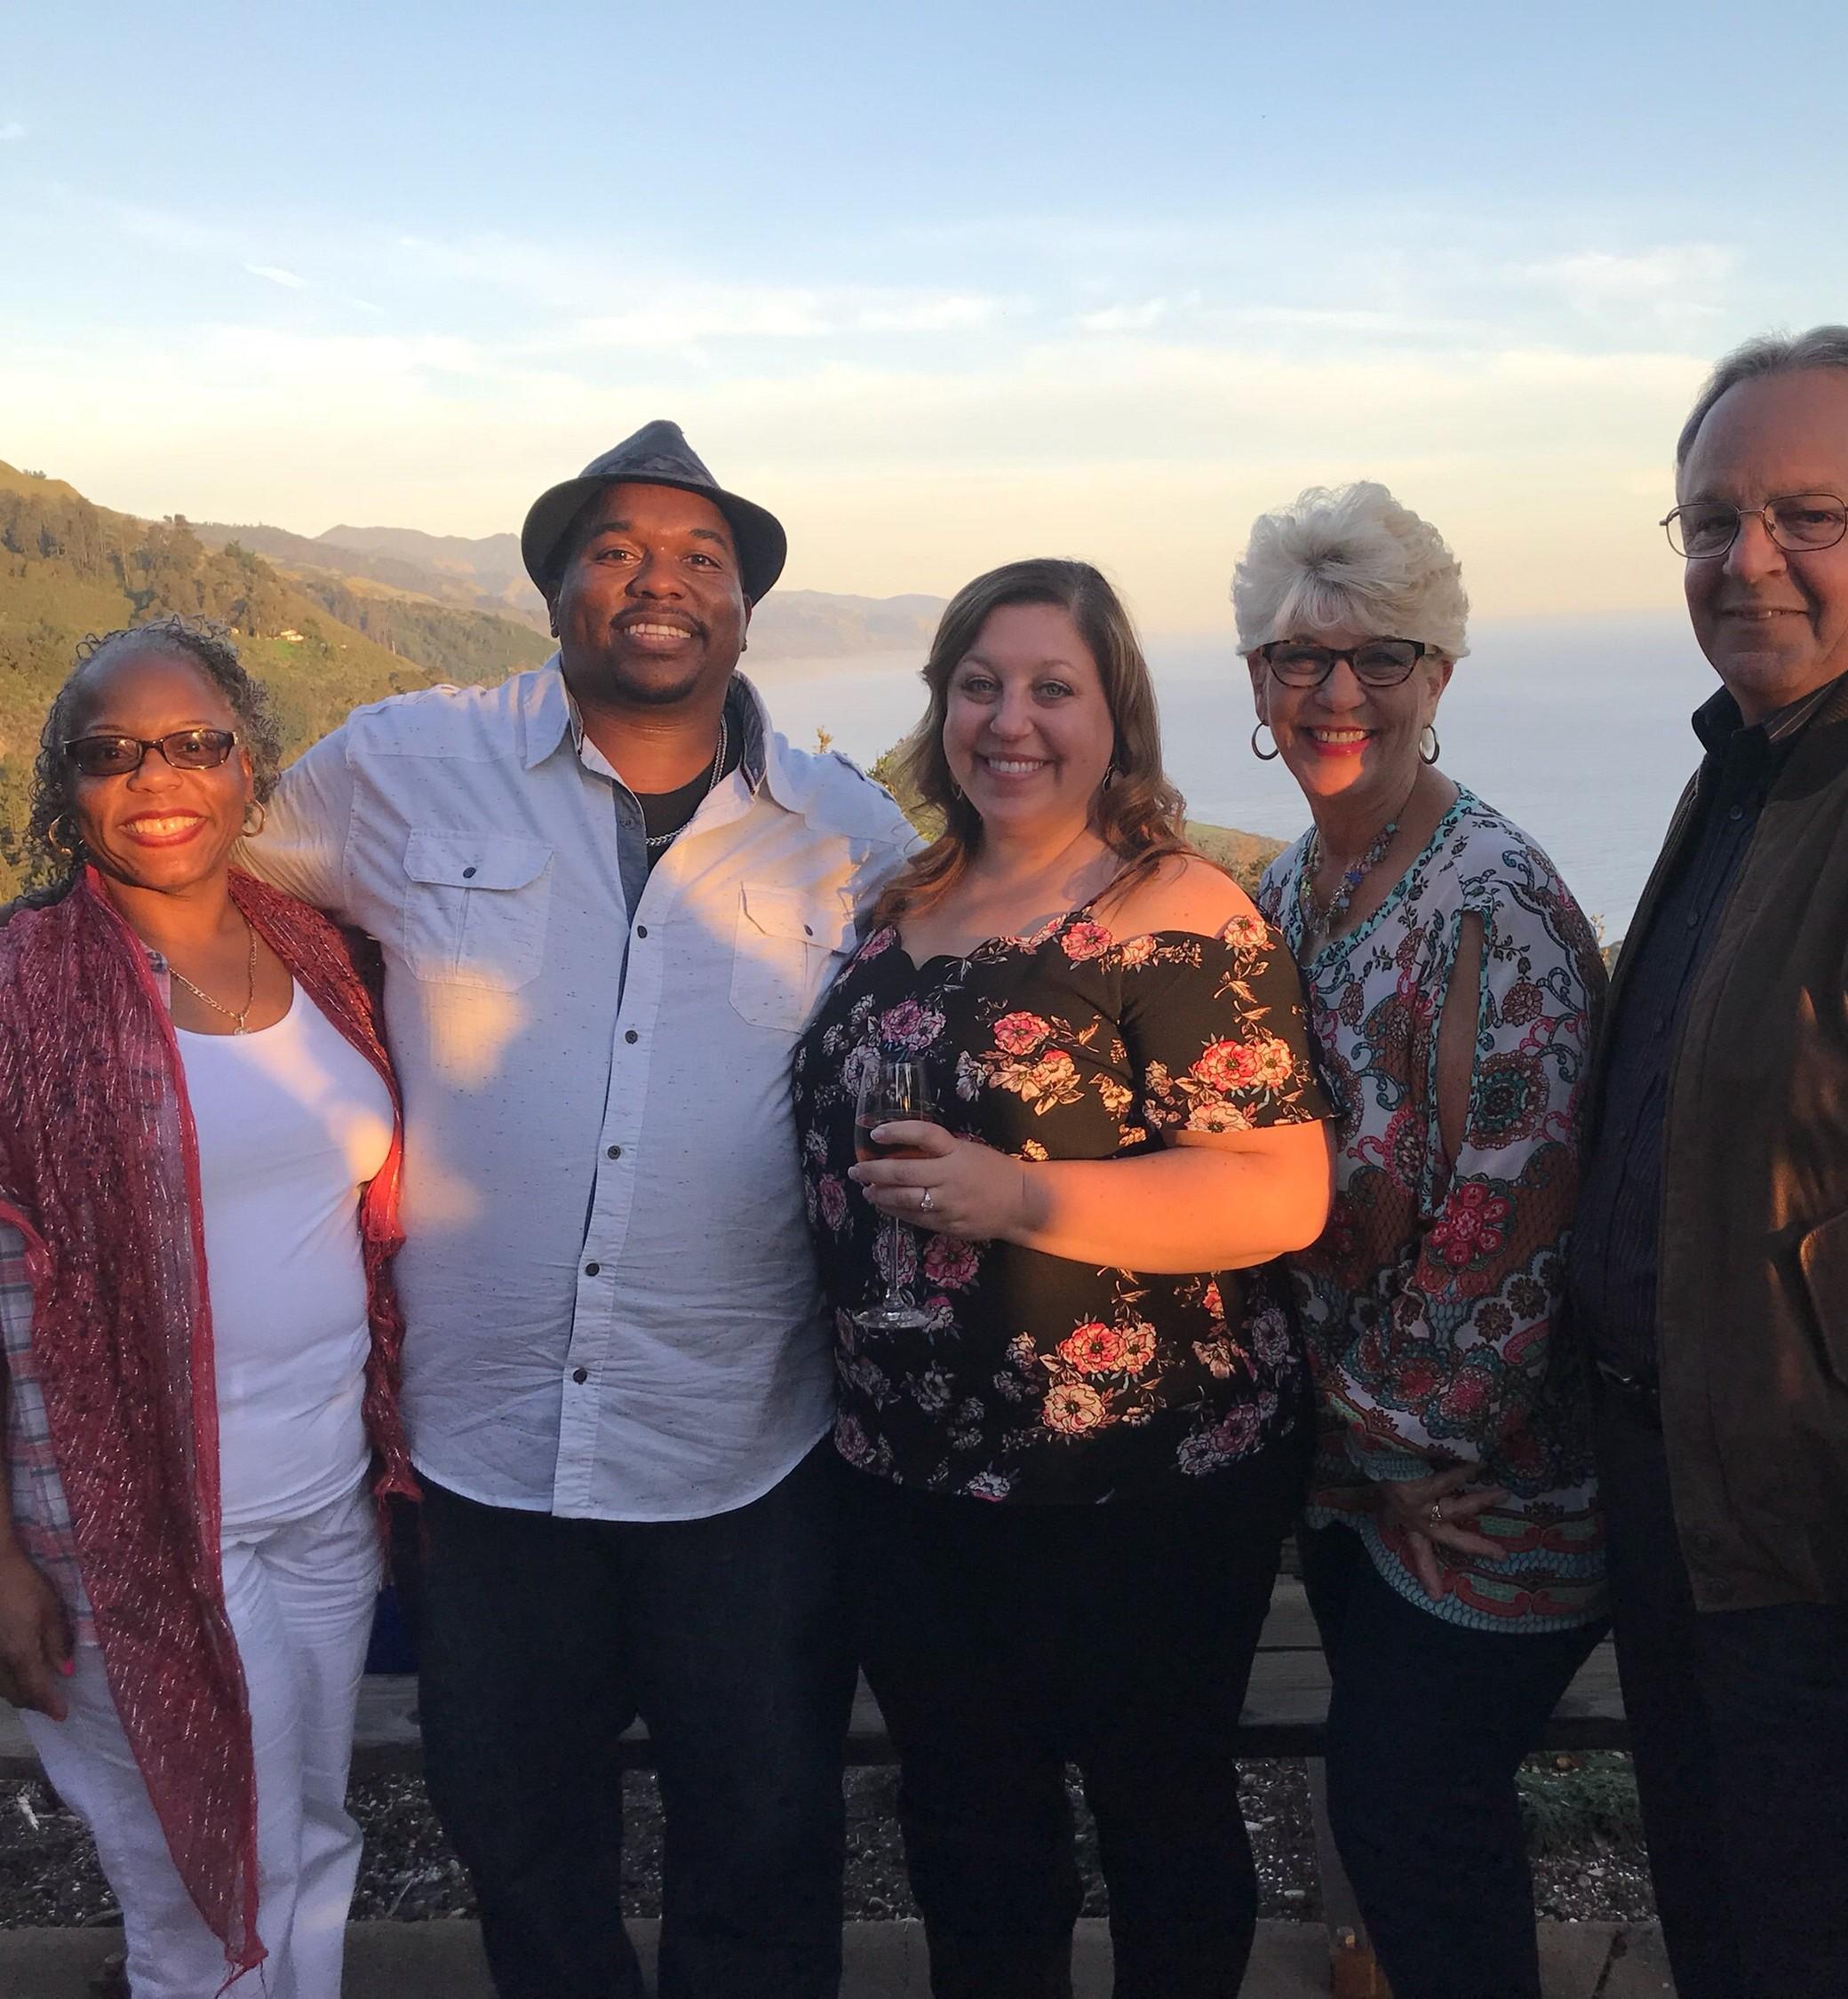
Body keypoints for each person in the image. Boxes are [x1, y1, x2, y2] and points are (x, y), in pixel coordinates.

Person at [244, 422, 913, 1999]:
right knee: (515, 1824)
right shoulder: (404, 763)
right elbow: (208, 875)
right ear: (551, 591)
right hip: (488, 1458)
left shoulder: (846, 832)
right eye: (615, 549)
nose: (658, 582)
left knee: (761, 1830)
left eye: (701, 559)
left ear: (745, 609)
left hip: (741, 1447)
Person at [791, 557, 1334, 1999]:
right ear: (939, 708)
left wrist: (1022, 1194)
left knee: (1159, 1816)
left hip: (1140, 1486)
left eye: (1050, 688)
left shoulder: (1177, 909)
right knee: (970, 1832)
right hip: (905, 1482)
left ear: (1114, 716)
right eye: (979, 685)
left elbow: (1279, 1188)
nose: (1008, 720)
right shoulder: (900, 898)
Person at [1566, 326, 1848, 1999]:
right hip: (1710, 1545)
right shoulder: (1760, 764)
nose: (1746, 557)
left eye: (1803, 514)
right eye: (1707, 519)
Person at [0, 618, 416, 1999]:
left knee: (305, 1840)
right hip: (135, 1530)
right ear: (65, 787)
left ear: (250, 764)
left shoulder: (322, 952)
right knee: (195, 1896)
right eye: (112, 752)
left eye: (195, 742)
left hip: (321, 1502)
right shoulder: (20, 990)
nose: (158, 776)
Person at [1232, 486, 1606, 1998]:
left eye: (1378, 657)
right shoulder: (1286, 885)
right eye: (1297, 659)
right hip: (1361, 1475)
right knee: (1403, 1822)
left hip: (1481, 1489)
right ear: (1256, 682)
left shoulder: (1489, 906)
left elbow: (1506, 1234)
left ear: (1436, 676)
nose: (1335, 693)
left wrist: (1378, 1461)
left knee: (1409, 1810)